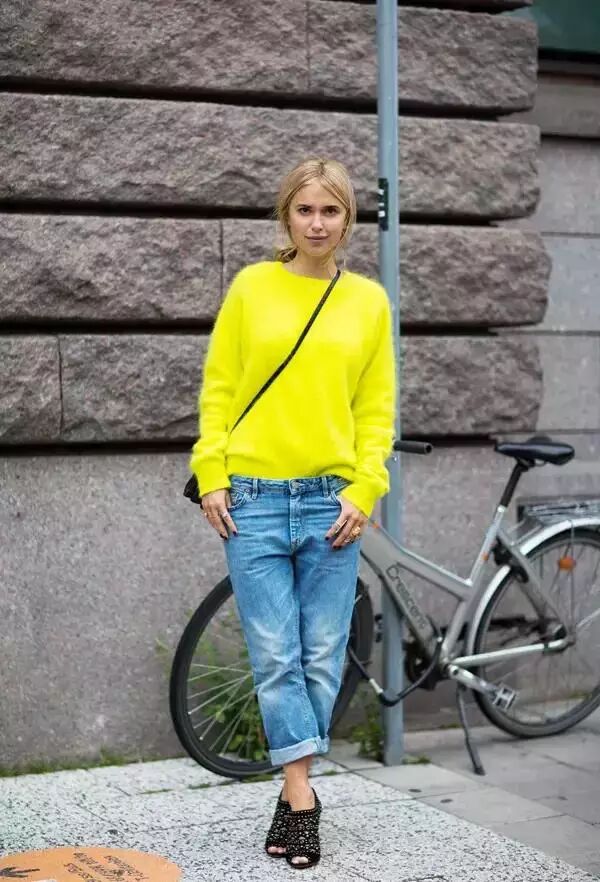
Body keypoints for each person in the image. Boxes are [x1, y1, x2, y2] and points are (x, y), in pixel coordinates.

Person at [189, 157, 396, 868]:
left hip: (330, 502)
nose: (316, 223)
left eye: (330, 210)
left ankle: (291, 791)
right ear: (286, 216)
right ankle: (304, 798)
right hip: (251, 499)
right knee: (275, 655)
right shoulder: (252, 288)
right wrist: (211, 472)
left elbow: (377, 409)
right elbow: (219, 387)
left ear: (348, 220)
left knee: (320, 654)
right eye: (304, 210)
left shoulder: (368, 303)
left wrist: (365, 488)